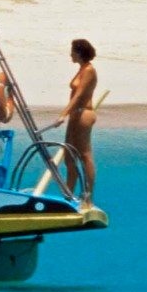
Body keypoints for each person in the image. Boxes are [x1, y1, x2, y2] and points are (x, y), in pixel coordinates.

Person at [52, 39, 102, 210]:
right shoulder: (81, 69)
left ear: (79, 52)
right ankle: (68, 196)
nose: (70, 54)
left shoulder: (89, 70)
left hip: (84, 114)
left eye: (72, 51)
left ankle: (88, 197)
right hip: (76, 114)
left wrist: (62, 115)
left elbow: (79, 95)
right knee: (69, 156)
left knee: (85, 154)